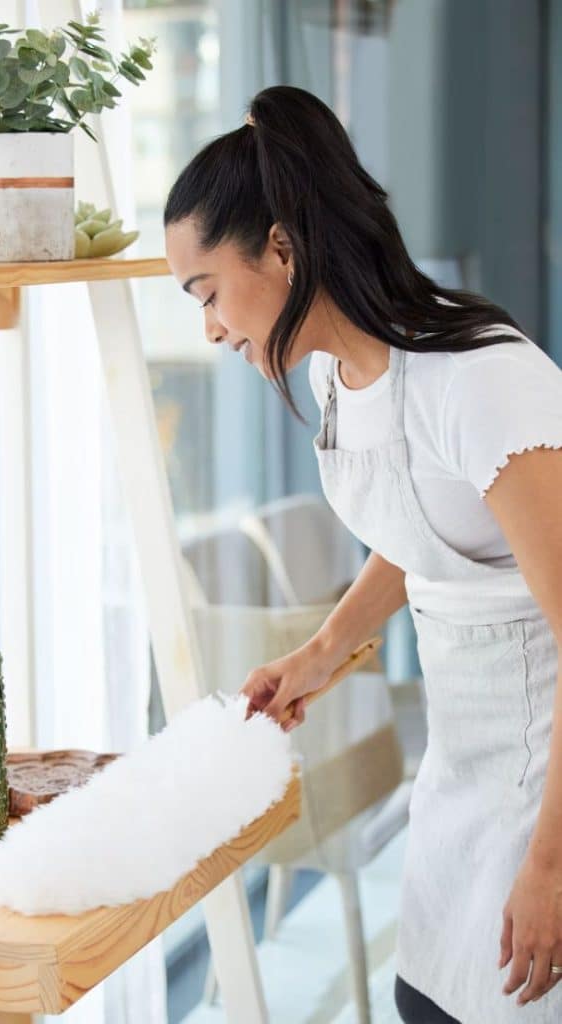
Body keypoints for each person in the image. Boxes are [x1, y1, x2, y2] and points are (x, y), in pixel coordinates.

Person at [163, 85, 562, 1023]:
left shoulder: (483, 381)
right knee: (424, 998)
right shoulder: (348, 384)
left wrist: (551, 866)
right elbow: (426, 536)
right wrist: (319, 654)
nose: (211, 330)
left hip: (549, 804)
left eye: (208, 293)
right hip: (460, 787)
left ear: (283, 248)